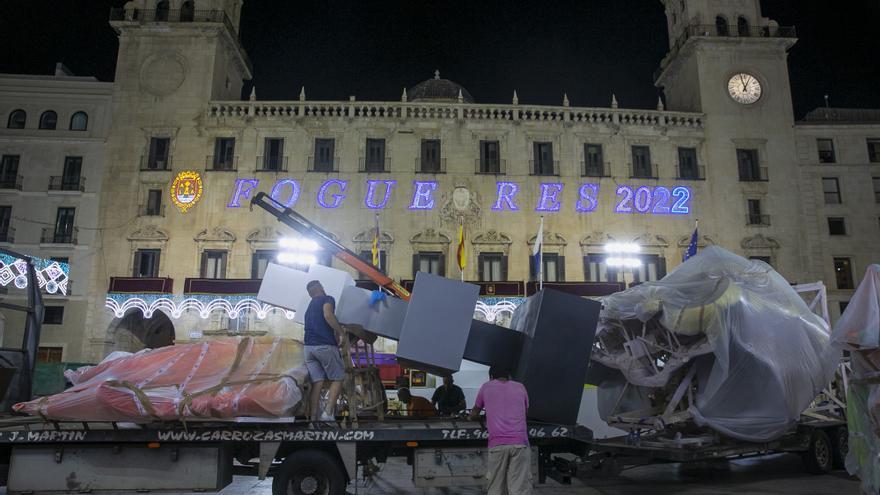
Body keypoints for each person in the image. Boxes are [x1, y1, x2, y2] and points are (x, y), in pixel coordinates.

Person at [470, 363, 531, 495]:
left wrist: (475, 418)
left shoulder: (486, 387)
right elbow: (524, 413)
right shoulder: (520, 387)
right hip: (520, 444)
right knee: (519, 487)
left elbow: (474, 413)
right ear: (508, 375)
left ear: (491, 376)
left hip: (497, 445)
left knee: (496, 487)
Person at [303, 280, 347, 421]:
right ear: (322, 288)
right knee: (338, 377)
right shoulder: (328, 299)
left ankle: (312, 419)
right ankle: (327, 414)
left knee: (318, 382)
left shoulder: (309, 307)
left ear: (310, 294)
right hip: (324, 346)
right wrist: (341, 332)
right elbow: (328, 315)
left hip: (308, 348)